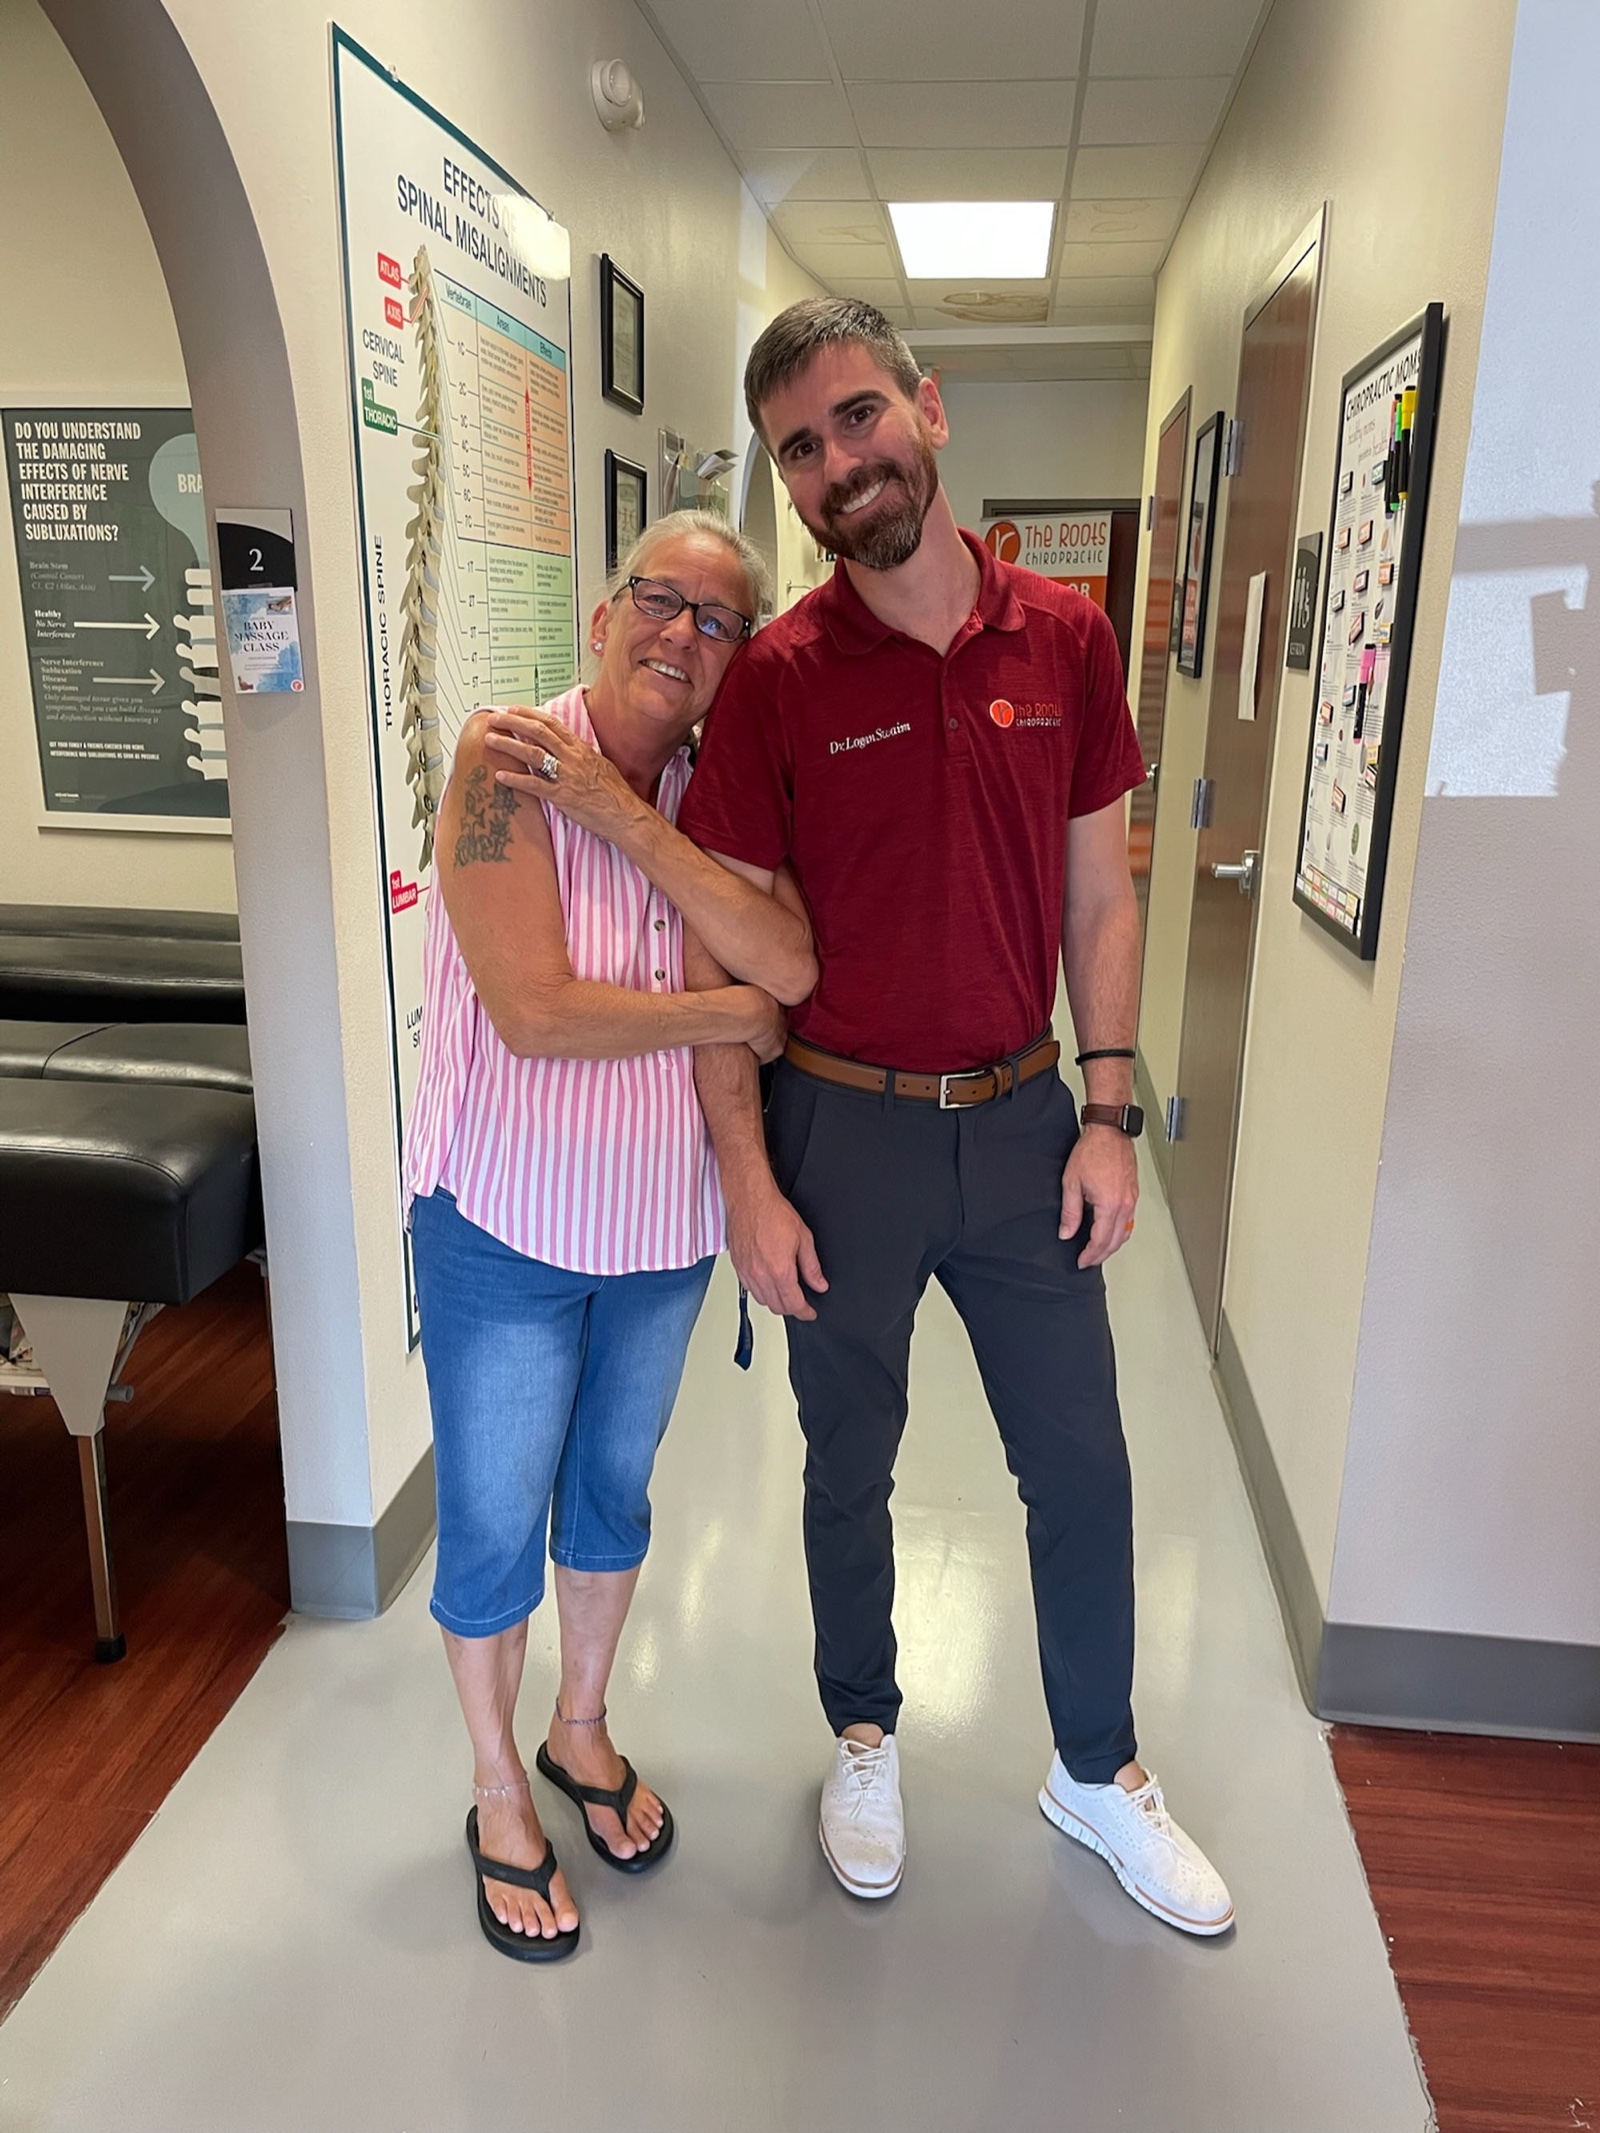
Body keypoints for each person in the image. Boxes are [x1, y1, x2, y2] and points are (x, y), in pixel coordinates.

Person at [676, 300, 1234, 1937]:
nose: (837, 464)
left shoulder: (1063, 641)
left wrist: (1111, 1107)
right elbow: (724, 949)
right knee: (847, 1462)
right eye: (800, 447)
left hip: (1021, 1122)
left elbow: (1098, 894)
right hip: (837, 1134)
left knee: (1082, 1462)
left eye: (856, 418)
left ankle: (1099, 1765)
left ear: (927, 408)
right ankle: (864, 1732)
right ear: (787, 483)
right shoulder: (777, 683)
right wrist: (745, 1181)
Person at [403, 510, 815, 1962]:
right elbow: (536, 1009)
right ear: (602, 611)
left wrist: (648, 834)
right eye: (661, 600)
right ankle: (495, 1781)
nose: (682, 636)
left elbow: (794, 959)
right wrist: (721, 1013)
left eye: (719, 622)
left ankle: (581, 1727)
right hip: (503, 1221)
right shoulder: (503, 758)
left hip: (659, 1231)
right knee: (498, 1510)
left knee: (614, 1493)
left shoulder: (724, 790)